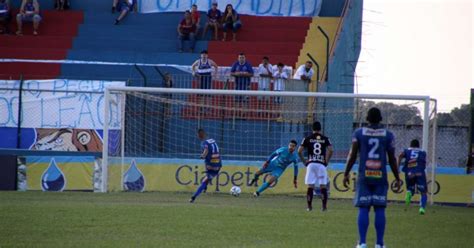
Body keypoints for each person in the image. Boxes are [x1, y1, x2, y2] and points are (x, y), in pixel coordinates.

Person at [343, 107, 401, 248]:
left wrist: (346, 173)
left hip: (364, 175)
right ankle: (379, 244)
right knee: (380, 208)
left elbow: (352, 156)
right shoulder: (388, 135)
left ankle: (362, 243)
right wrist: (397, 177)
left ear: (367, 119)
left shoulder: (359, 133)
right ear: (381, 118)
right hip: (380, 176)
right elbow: (392, 158)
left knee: (364, 208)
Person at [298, 121, 333, 211]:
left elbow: (299, 151)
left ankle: (309, 207)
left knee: (310, 186)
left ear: (312, 129)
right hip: (321, 164)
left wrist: (304, 161)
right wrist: (327, 161)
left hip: (311, 164)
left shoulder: (307, 138)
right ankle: (324, 207)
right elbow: (331, 150)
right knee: (323, 186)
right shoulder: (326, 138)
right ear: (320, 129)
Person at [190, 129, 222, 203]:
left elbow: (206, 150)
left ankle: (193, 197)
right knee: (207, 177)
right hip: (218, 164)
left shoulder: (204, 143)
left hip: (211, 165)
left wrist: (203, 156)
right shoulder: (212, 140)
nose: (197, 136)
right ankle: (205, 187)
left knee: (205, 180)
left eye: (198, 135)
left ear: (200, 134)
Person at [398, 139, 428, 214]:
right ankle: (422, 208)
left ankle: (409, 192)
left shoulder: (407, 151)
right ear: (418, 146)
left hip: (409, 173)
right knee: (423, 192)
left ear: (410, 145)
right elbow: (423, 163)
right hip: (419, 172)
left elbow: (400, 156)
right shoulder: (423, 152)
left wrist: (398, 167)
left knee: (410, 188)